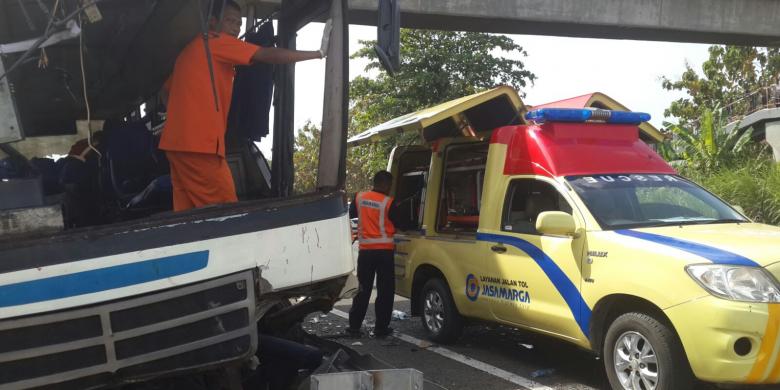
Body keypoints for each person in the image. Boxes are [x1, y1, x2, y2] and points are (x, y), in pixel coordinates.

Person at [159, 0, 331, 211]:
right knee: (226, 212)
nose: (236, 28)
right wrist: (318, 53)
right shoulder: (214, 42)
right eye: (230, 21)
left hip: (175, 145)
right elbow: (267, 54)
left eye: (239, 24)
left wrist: (183, 117)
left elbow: (166, 92)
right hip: (200, 147)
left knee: (186, 215)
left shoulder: (191, 49)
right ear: (212, 23)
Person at [347, 171, 400, 338]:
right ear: (386, 184)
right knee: (385, 291)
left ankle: (354, 327)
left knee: (363, 289)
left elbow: (352, 214)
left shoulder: (359, 198)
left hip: (366, 252)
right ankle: (381, 328)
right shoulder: (389, 202)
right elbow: (402, 223)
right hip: (384, 252)